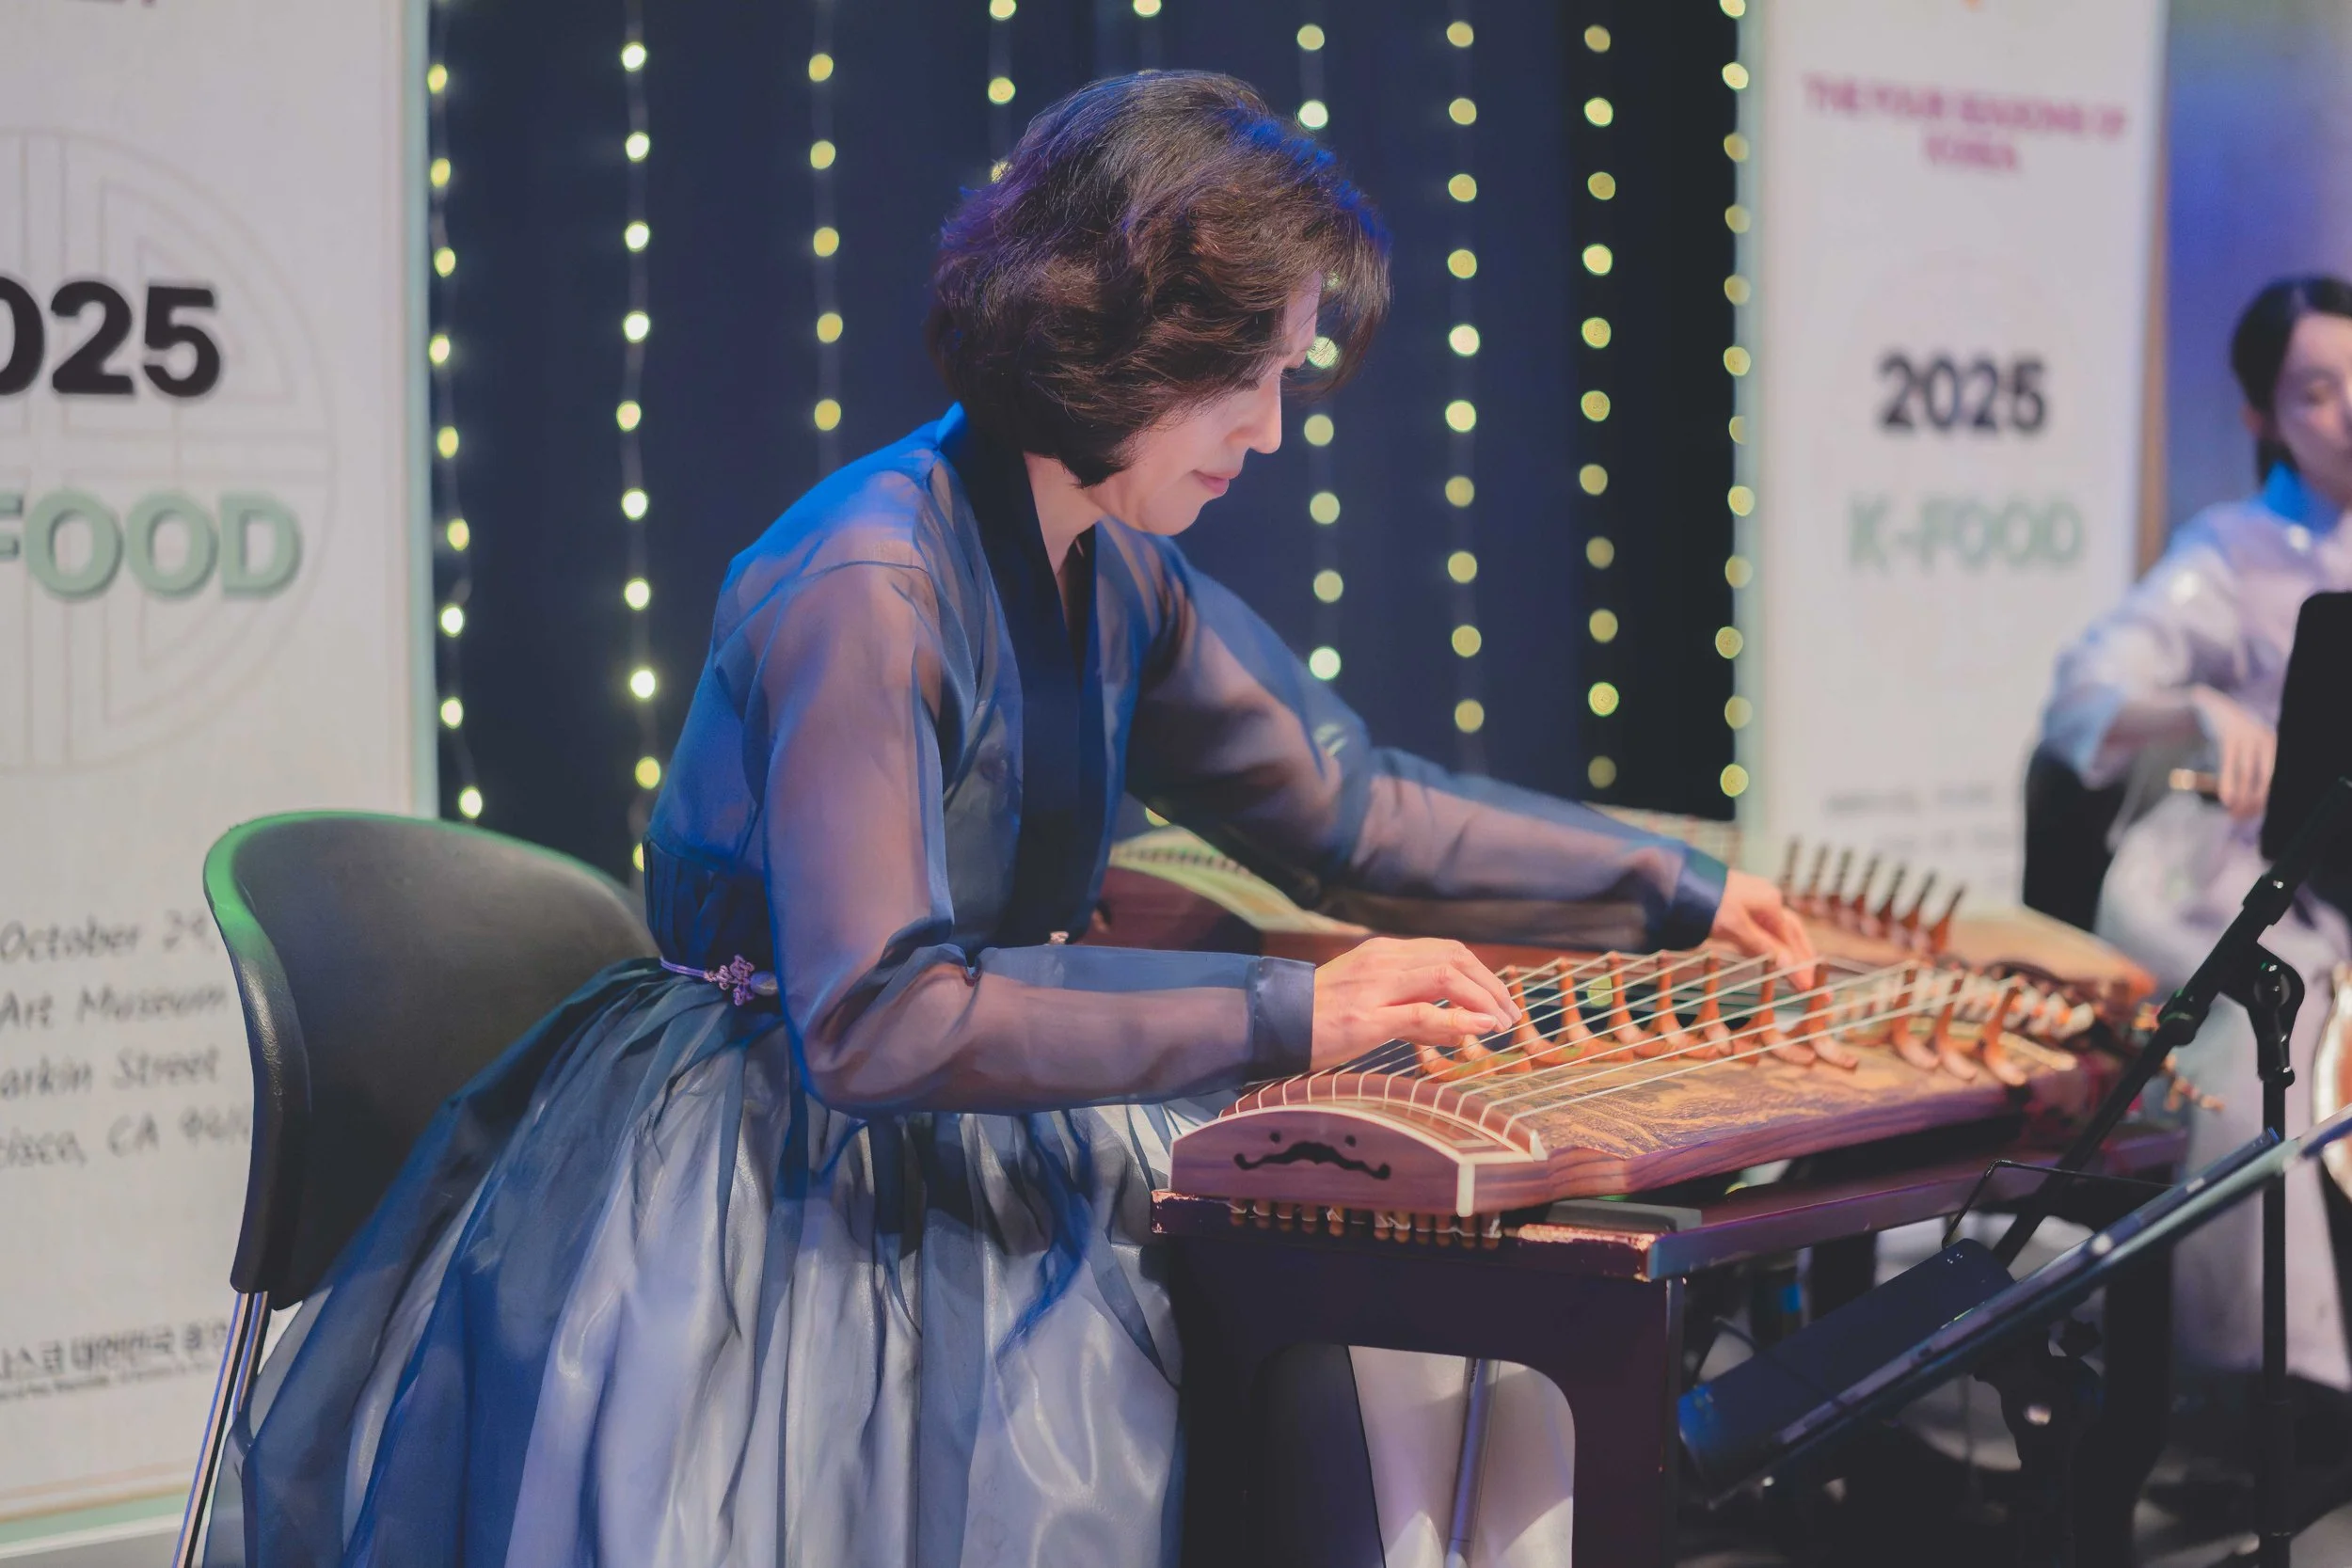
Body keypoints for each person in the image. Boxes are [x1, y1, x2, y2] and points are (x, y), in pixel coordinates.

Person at [230, 73, 1812, 1567]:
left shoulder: (1110, 563)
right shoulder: (872, 582)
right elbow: (873, 1016)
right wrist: (1290, 1007)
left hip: (1003, 1086)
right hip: (787, 1157)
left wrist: (1677, 884)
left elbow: (1348, 804)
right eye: (1249, 376)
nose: (1271, 429)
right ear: (1123, 335)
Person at [2042, 276, 2352, 1403]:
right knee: (2287, 997)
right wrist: (2202, 711)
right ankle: (2273, 1368)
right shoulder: (2229, 551)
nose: (2349, 411)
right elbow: (2082, 699)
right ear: (2262, 416)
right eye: (2315, 391)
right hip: (2233, 869)